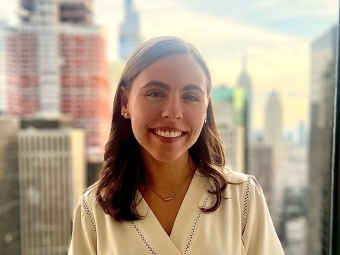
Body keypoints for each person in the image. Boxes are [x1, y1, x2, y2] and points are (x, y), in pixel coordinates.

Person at [68, 36, 285, 255]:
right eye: (155, 93)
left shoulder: (243, 199)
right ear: (125, 102)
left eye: (191, 96)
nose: (173, 112)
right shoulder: (93, 212)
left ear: (206, 108)